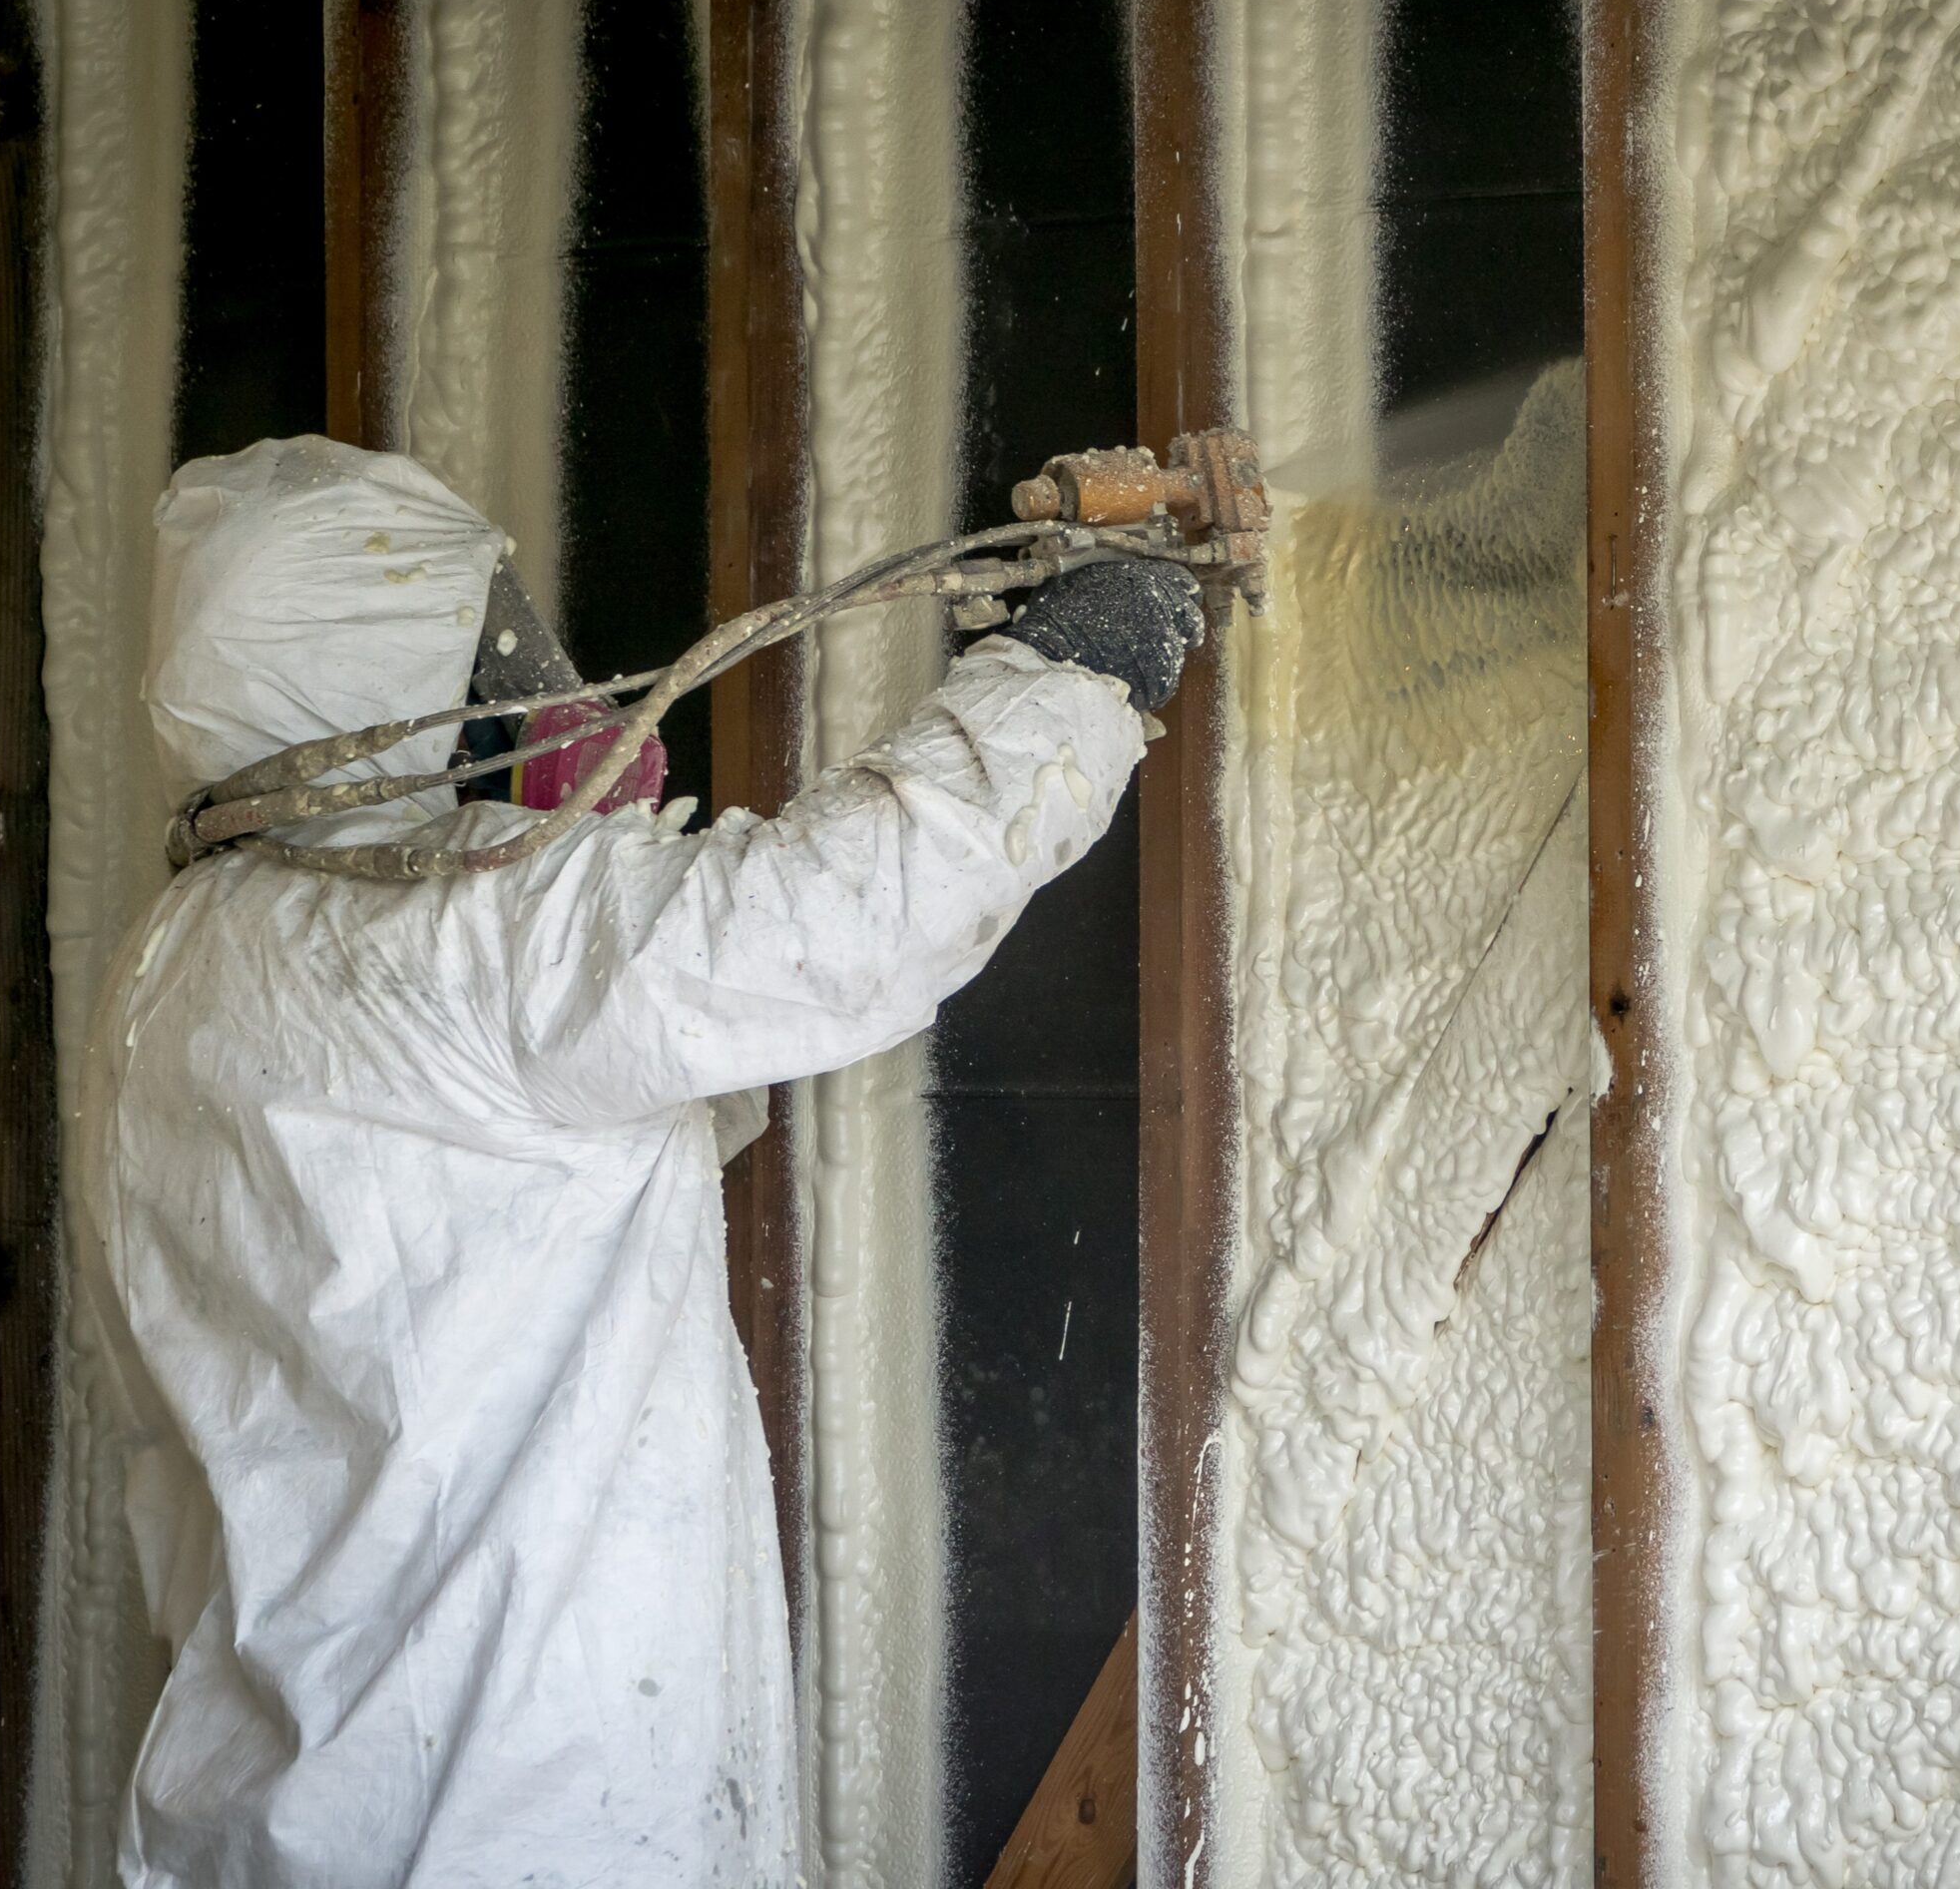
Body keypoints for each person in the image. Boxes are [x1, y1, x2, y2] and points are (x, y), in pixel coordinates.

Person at [77, 435, 1204, 1889]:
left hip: (265, 1816)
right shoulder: (470, 934)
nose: (539, 691)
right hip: (517, 1816)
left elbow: (593, 1123)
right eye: (492, 650)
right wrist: (1084, 661)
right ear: (379, 669)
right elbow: (837, 917)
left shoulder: (165, 972)